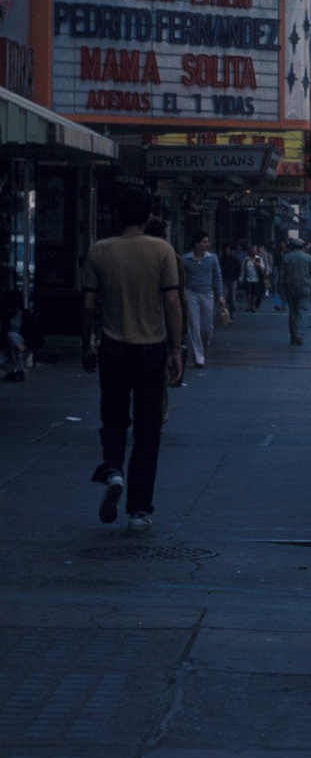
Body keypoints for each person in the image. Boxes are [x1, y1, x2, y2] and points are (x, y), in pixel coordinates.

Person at [82, 187, 183, 533]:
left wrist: (87, 345)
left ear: (116, 215)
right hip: (151, 350)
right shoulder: (163, 250)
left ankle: (113, 470)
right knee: (147, 431)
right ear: (148, 215)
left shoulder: (99, 251)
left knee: (113, 420)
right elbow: (172, 302)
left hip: (112, 348)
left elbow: (88, 305)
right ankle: (139, 509)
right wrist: (176, 349)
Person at [180, 233, 226, 371]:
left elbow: (217, 278)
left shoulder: (212, 259)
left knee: (207, 328)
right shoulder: (185, 260)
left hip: (207, 294)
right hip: (191, 294)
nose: (207, 244)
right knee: (194, 325)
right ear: (196, 244)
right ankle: (199, 358)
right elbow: (182, 279)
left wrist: (220, 296)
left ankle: (203, 351)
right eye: (205, 242)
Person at [279, 238, 311, 345]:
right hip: (305, 287)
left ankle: (293, 335)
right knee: (302, 311)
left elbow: (282, 276)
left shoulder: (286, 257)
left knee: (292, 311)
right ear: (303, 247)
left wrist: (280, 290)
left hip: (290, 288)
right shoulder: (308, 257)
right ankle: (299, 334)